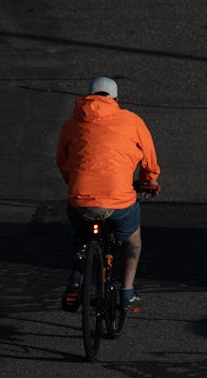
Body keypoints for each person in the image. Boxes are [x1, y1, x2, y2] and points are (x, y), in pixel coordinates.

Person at [56, 76, 161, 312]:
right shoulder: (131, 121)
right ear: (116, 99)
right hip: (118, 202)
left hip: (81, 198)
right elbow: (149, 160)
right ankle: (127, 292)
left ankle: (75, 281)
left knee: (81, 238)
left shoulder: (71, 124)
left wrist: (74, 185)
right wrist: (149, 181)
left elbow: (62, 161)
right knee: (133, 243)